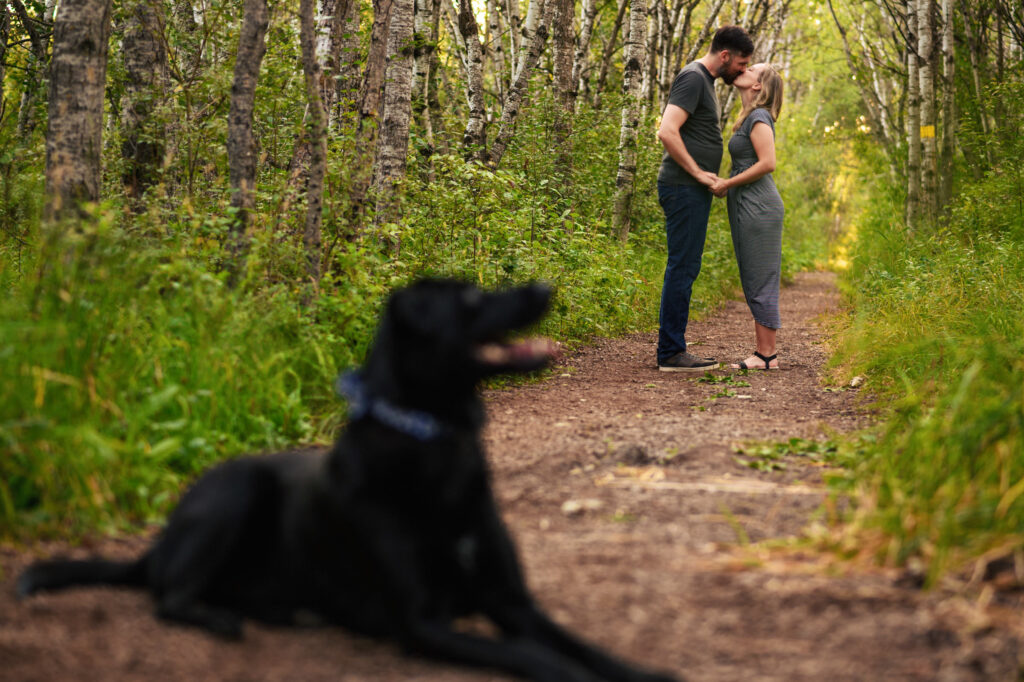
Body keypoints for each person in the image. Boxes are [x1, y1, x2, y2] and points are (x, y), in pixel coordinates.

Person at [655, 26, 753, 372]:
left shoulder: (703, 81)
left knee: (686, 265)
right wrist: (697, 173)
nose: (742, 70)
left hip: (689, 189)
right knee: (682, 265)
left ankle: (672, 348)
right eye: (741, 63)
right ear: (724, 55)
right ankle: (670, 352)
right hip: (683, 187)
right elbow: (667, 130)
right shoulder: (694, 78)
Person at [709, 63, 785, 370]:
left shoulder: (759, 116)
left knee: (760, 274)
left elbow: (768, 163)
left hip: (760, 206)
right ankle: (764, 353)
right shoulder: (748, 117)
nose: (744, 68)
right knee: (752, 273)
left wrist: (727, 183)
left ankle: (767, 356)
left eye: (752, 68)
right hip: (747, 204)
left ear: (758, 85)